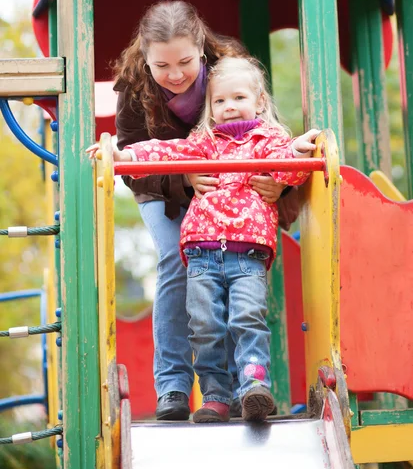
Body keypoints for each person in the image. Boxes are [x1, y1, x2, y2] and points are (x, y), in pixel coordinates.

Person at [88, 56, 320, 422]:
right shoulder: (205, 142)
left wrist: (298, 151)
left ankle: (253, 388)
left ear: (259, 101)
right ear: (209, 108)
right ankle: (215, 397)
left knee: (247, 318)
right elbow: (166, 152)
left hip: (248, 253)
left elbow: (286, 168)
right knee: (205, 327)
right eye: (220, 101)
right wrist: (124, 153)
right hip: (201, 253)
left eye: (238, 98)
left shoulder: (268, 140)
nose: (229, 108)